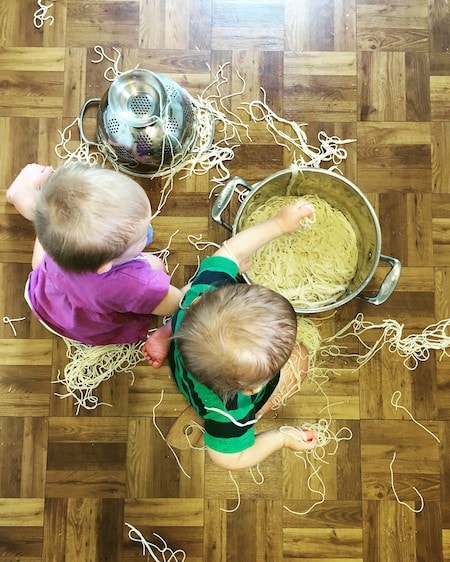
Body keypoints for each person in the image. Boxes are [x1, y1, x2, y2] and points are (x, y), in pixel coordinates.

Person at [143, 198, 318, 469]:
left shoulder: (202, 295)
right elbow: (231, 459)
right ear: (253, 388)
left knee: (183, 308)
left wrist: (278, 224)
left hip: (187, 346)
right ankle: (263, 408)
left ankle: (170, 330)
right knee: (302, 361)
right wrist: (281, 438)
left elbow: (231, 253)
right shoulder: (230, 411)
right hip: (205, 397)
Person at [6, 162, 184, 346]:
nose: (149, 230)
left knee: (48, 222)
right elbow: (176, 304)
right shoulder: (135, 283)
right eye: (140, 238)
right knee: (157, 265)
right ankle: (26, 198)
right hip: (85, 327)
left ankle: (23, 197)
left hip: (44, 298)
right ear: (104, 265)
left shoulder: (59, 238)